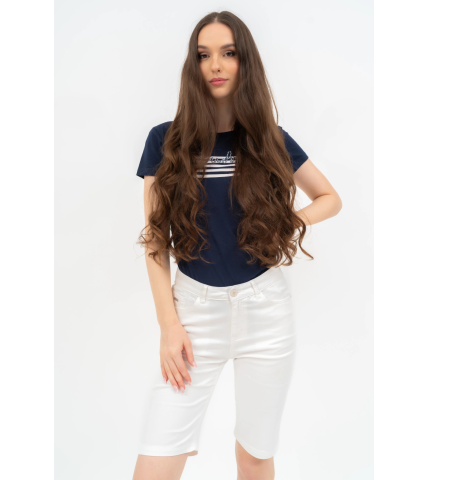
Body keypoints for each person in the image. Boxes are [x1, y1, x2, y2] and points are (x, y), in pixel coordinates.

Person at [132, 11, 342, 480]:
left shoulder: (269, 140)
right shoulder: (165, 140)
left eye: (228, 53)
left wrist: (289, 222)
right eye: (203, 55)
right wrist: (169, 326)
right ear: (193, 65)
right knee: (156, 460)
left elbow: (330, 198)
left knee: (254, 456)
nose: (215, 65)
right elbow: (155, 241)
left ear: (245, 60)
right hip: (193, 315)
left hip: (266, 312)